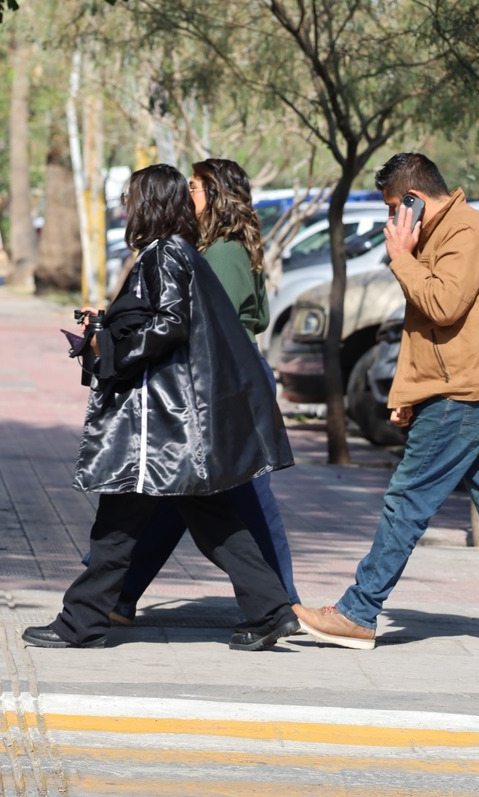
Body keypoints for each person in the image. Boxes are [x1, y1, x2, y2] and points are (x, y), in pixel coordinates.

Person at [294, 153, 479, 657]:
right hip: (476, 388)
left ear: (415, 200)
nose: (390, 221)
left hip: (468, 394)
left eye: (393, 208)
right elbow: (429, 331)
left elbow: (443, 305)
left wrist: (401, 257)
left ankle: (358, 612)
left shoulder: (465, 234)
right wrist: (408, 395)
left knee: (408, 499)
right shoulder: (446, 234)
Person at [22, 164, 300, 651]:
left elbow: (171, 323)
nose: (126, 207)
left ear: (150, 202)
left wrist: (112, 352)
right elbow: (162, 319)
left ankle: (81, 622)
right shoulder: (174, 251)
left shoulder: (166, 253)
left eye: (132, 198)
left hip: (160, 429)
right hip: (171, 428)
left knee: (117, 525)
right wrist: (108, 327)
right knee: (212, 523)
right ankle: (271, 610)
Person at [104, 158, 300, 625]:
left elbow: (215, 326)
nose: (186, 195)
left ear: (215, 196)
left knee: (245, 503)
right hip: (221, 379)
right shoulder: (212, 247)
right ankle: (120, 595)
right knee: (181, 500)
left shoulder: (223, 253)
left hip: (225, 383)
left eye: (194, 188)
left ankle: (281, 601)